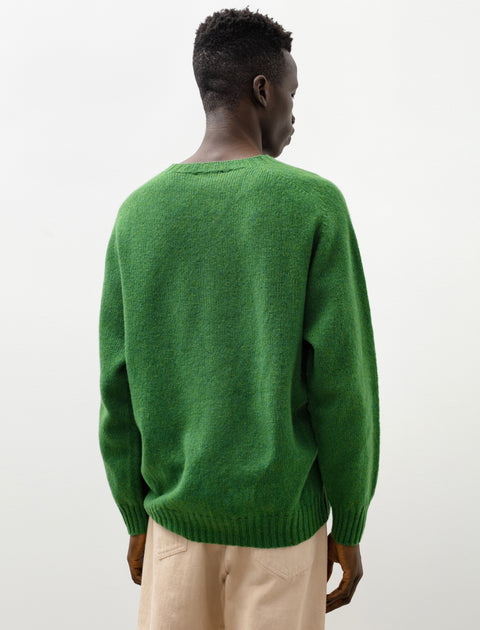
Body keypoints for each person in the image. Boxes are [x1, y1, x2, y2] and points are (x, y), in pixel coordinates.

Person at [98, 7, 380, 630]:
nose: (294, 113)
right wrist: (350, 521)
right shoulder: (313, 204)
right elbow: (343, 385)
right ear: (262, 90)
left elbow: (117, 387)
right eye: (292, 93)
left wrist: (135, 516)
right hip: (282, 537)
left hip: (173, 530)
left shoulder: (137, 214)